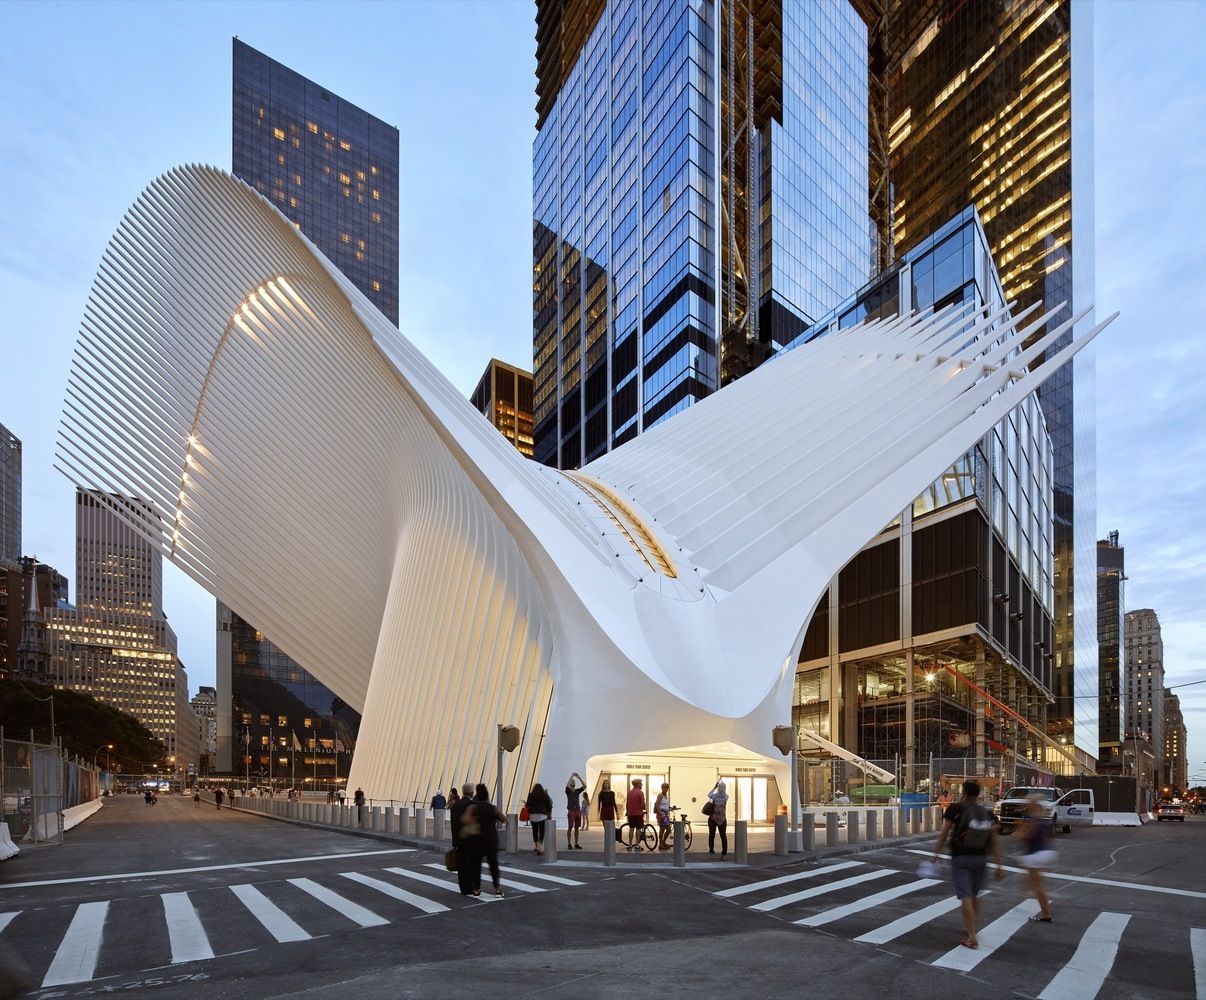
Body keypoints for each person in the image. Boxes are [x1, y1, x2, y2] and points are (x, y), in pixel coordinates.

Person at [932, 779, 1005, 949]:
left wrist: (936, 853)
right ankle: (971, 927)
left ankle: (971, 936)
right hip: (980, 859)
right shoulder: (986, 813)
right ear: (978, 794)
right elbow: (994, 841)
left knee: (965, 895)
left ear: (963, 791)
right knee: (974, 895)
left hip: (961, 857)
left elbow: (944, 833)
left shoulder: (955, 809)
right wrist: (1000, 865)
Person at [1018, 794, 1055, 922]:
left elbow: (1026, 836)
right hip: (1044, 852)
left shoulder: (1032, 819)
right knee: (1035, 881)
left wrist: (1019, 832)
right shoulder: (1040, 818)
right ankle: (1023, 891)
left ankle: (1046, 913)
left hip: (1035, 854)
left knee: (1039, 886)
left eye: (1028, 802)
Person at [463, 783, 504, 897]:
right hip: (491, 839)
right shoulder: (493, 808)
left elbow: (465, 820)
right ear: (487, 796)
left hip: (477, 839)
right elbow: (503, 818)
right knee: (493, 864)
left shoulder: (473, 808)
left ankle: (477, 889)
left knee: (476, 864)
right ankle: (497, 888)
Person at [450, 782, 477, 895]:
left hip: (458, 839)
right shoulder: (471, 805)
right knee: (470, 864)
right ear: (471, 792)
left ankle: (463, 888)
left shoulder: (456, 805)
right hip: (469, 839)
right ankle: (470, 887)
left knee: (461, 865)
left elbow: (453, 823)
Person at [525, 783, 553, 855]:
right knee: (541, 831)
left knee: (534, 831)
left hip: (533, 815)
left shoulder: (531, 795)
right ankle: (540, 846)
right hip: (542, 815)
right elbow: (549, 805)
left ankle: (536, 845)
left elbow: (528, 804)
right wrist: (548, 812)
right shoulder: (545, 795)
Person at [707, 779, 729, 859]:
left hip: (713, 818)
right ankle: (724, 854)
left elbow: (709, 794)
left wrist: (715, 787)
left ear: (719, 788)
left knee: (711, 835)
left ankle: (711, 851)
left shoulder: (715, 796)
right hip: (722, 819)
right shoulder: (726, 796)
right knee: (723, 836)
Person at [564, 772, 586, 850]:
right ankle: (569, 843)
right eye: (571, 782)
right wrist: (571, 776)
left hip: (578, 811)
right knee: (570, 827)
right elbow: (566, 786)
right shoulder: (568, 791)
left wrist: (579, 777)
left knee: (577, 828)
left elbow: (584, 786)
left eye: (573, 781)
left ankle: (576, 843)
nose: (573, 782)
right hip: (571, 811)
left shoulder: (577, 791)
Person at [625, 779, 646, 851]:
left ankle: (630, 845)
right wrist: (644, 808)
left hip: (630, 814)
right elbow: (642, 804)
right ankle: (637, 845)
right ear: (637, 784)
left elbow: (627, 804)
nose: (642, 785)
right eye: (641, 783)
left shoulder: (629, 793)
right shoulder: (640, 793)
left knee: (631, 828)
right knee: (638, 829)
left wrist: (627, 811)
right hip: (638, 814)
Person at [654, 782, 672, 849]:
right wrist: (660, 814)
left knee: (668, 829)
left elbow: (664, 804)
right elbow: (657, 805)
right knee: (662, 829)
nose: (666, 789)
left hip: (665, 815)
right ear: (662, 788)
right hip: (661, 814)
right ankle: (661, 844)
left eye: (667, 788)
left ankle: (663, 842)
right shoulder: (660, 795)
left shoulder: (666, 796)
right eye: (664, 788)